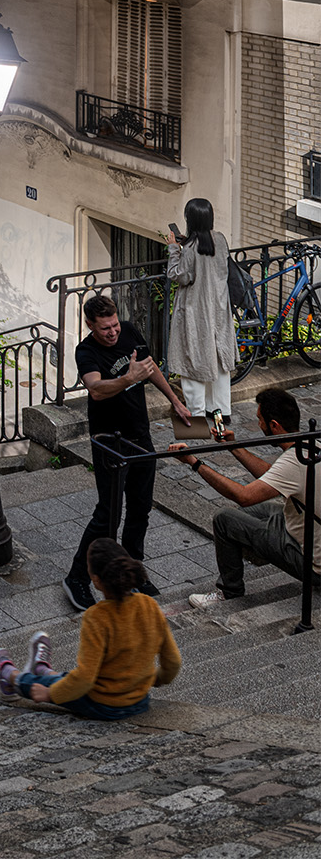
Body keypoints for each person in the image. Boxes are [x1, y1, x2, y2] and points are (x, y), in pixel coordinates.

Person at [63, 292, 192, 613]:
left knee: (140, 507)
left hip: (139, 433)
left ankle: (132, 571)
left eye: (115, 325)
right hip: (109, 440)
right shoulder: (86, 351)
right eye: (105, 328)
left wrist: (175, 400)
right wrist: (126, 378)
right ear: (90, 325)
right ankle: (77, 577)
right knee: (108, 514)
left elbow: (150, 368)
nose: (113, 332)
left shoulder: (130, 330)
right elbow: (96, 389)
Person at [0, 538, 181, 720]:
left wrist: (49, 694)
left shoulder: (98, 617)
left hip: (103, 705)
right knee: (68, 679)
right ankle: (42, 669)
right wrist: (154, 678)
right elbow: (173, 662)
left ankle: (10, 678)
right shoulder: (150, 605)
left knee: (48, 686)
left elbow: (85, 679)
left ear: (96, 580)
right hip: (139, 701)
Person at [173, 386, 319, 608]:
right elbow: (271, 474)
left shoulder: (293, 462)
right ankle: (254, 547)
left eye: (260, 420)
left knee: (224, 519)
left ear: (274, 425)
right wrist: (234, 446)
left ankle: (229, 592)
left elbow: (243, 496)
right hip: (304, 525)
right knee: (247, 515)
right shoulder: (311, 443)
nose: (259, 425)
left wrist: (194, 462)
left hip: (312, 563)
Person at [166, 199, 238, 424]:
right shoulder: (220, 240)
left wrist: (173, 248)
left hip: (195, 311)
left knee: (193, 361)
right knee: (218, 359)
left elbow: (179, 275)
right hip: (218, 309)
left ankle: (195, 415)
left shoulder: (190, 249)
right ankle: (221, 411)